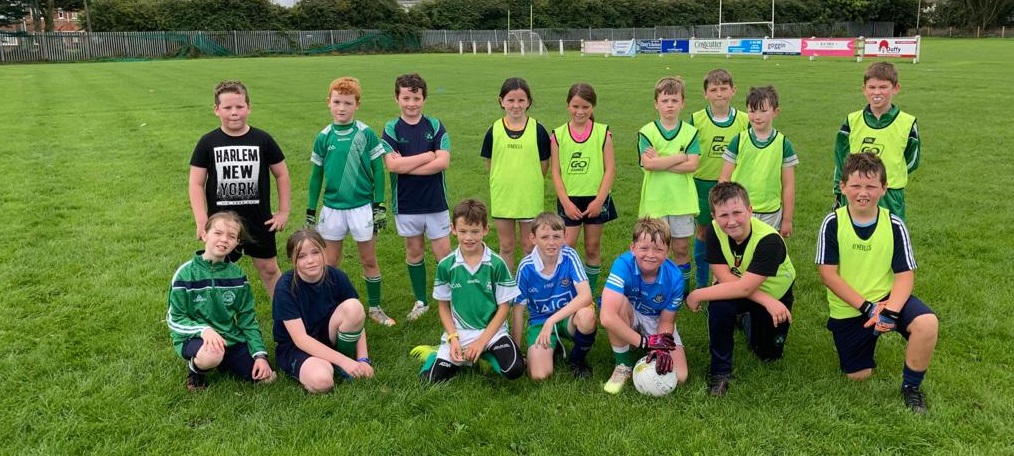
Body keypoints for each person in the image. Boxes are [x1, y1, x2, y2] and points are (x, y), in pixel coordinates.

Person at [816, 152, 938, 413]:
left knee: (927, 324)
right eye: (856, 185)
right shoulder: (833, 222)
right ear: (843, 187)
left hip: (887, 299)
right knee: (858, 376)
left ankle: (911, 388)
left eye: (871, 186)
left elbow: (905, 274)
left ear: (884, 188)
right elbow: (827, 275)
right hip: (852, 308)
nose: (863, 193)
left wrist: (890, 311)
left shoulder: (894, 224)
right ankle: (863, 346)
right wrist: (868, 309)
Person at [685, 182, 797, 397]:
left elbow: (745, 288)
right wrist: (765, 301)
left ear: (750, 210)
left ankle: (745, 320)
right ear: (714, 216)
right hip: (749, 291)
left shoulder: (769, 240)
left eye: (737, 212)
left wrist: (697, 294)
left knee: (768, 355)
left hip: (775, 294)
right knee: (719, 306)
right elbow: (724, 277)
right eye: (723, 215)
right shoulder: (714, 230)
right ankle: (720, 372)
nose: (731, 221)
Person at [189, 80, 291, 299]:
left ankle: (287, 314)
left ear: (249, 107)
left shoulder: (262, 140)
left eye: (239, 106)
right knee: (216, 271)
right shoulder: (208, 142)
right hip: (221, 223)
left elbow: (282, 174)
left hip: (259, 220)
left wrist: (283, 211)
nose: (234, 112)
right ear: (217, 110)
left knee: (269, 269)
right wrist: (201, 221)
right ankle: (216, 314)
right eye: (227, 107)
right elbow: (196, 183)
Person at [306, 77, 394, 327]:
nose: (341, 108)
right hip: (332, 208)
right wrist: (311, 209)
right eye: (337, 102)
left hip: (362, 207)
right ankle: (327, 307)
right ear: (328, 102)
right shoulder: (323, 137)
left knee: (369, 260)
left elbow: (378, 170)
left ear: (357, 104)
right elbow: (316, 176)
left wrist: (379, 204)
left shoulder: (365, 133)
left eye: (347, 103)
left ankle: (375, 308)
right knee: (330, 262)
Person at [417, 199, 526, 383]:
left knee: (514, 370)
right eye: (463, 231)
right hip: (460, 333)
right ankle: (436, 354)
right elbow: (443, 307)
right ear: (453, 229)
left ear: (485, 229)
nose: (469, 237)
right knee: (430, 379)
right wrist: (453, 338)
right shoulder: (446, 265)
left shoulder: (496, 263)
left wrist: (481, 342)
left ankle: (483, 354)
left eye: (475, 231)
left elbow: (504, 308)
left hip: (493, 333)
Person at [167, 211, 276, 391]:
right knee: (212, 354)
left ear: (237, 243)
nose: (224, 239)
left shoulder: (238, 276)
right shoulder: (185, 274)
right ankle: (196, 371)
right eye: (218, 233)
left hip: (229, 339)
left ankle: (225, 361)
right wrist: (204, 330)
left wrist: (260, 356)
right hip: (195, 338)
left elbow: (247, 319)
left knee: (267, 378)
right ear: (204, 235)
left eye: (231, 236)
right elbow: (174, 318)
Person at [381, 73, 453, 322]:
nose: (411, 103)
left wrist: (406, 165)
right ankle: (421, 301)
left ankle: (452, 299)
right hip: (407, 203)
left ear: (424, 99)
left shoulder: (435, 125)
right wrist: (426, 156)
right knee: (414, 251)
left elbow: (443, 162)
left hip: (435, 202)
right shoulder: (391, 128)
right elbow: (392, 166)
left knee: (444, 253)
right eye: (406, 98)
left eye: (416, 98)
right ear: (397, 98)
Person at [272, 229, 373, 393]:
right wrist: (346, 362)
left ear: (324, 252)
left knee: (354, 307)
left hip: (327, 335)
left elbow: (358, 320)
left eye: (315, 252)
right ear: (292, 260)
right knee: (322, 381)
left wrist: (363, 359)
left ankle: (339, 362)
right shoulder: (285, 287)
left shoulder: (337, 277)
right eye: (301, 256)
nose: (310, 260)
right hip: (296, 346)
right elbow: (300, 339)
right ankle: (337, 363)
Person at [599, 217, 689, 394]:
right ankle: (623, 365)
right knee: (618, 305)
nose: (650, 254)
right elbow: (606, 317)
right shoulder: (623, 264)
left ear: (668, 252)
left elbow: (667, 321)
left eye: (658, 249)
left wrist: (661, 345)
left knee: (680, 376)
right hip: (629, 312)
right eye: (644, 248)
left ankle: (636, 341)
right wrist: (645, 343)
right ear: (632, 248)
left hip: (656, 318)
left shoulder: (675, 277)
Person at [511, 212, 598, 380]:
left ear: (565, 236)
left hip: (568, 318)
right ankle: (553, 345)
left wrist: (551, 321)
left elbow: (586, 296)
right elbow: (518, 310)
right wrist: (515, 351)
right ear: (533, 238)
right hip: (540, 322)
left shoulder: (569, 256)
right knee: (539, 375)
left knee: (587, 315)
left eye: (557, 236)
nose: (551, 243)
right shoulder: (526, 267)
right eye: (544, 237)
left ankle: (577, 360)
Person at [549, 82, 616, 297]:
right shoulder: (558, 135)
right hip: (569, 200)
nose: (580, 111)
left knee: (592, 248)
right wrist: (566, 203)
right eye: (575, 106)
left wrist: (599, 201)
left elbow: (610, 169)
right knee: (566, 248)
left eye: (585, 107)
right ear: (568, 105)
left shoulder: (602, 133)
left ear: (592, 107)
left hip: (595, 198)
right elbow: (556, 172)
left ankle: (589, 295)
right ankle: (566, 292)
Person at [832, 62, 920, 221]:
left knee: (890, 233)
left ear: (896, 88)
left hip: (890, 193)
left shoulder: (907, 123)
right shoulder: (852, 120)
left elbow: (911, 160)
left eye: (883, 87)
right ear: (864, 89)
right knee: (853, 231)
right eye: (872, 87)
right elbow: (841, 159)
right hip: (856, 191)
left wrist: (888, 175)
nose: (877, 92)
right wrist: (839, 192)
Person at [480, 77, 552, 272]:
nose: (516, 105)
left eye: (521, 100)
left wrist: (529, 181)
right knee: (506, 246)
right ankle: (507, 287)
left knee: (530, 247)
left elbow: (544, 164)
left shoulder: (538, 130)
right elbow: (490, 163)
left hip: (529, 196)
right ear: (501, 101)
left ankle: (530, 285)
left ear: (528, 102)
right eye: (510, 100)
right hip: (504, 196)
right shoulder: (494, 130)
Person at [637, 76, 701, 291]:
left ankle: (682, 291)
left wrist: (661, 162)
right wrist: (679, 157)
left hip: (681, 200)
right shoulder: (647, 131)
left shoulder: (690, 132)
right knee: (653, 248)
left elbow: (693, 165)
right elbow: (648, 164)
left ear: (683, 103)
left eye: (674, 100)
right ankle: (655, 289)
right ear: (656, 103)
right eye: (665, 101)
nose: (670, 105)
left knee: (681, 248)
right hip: (655, 201)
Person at [689, 69, 750, 290]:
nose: (719, 94)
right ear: (705, 94)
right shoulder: (696, 119)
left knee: (735, 231)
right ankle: (702, 282)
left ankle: (733, 279)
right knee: (704, 232)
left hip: (734, 186)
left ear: (733, 90)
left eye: (724, 88)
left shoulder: (744, 119)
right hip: (703, 183)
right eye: (714, 89)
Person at [719, 85, 798, 238]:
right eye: (752, 111)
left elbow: (788, 186)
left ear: (775, 112)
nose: (757, 116)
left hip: (770, 212)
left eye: (763, 111)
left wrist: (787, 220)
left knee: (766, 250)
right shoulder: (738, 140)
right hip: (739, 210)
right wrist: (724, 209)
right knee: (740, 249)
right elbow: (724, 179)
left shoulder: (783, 144)